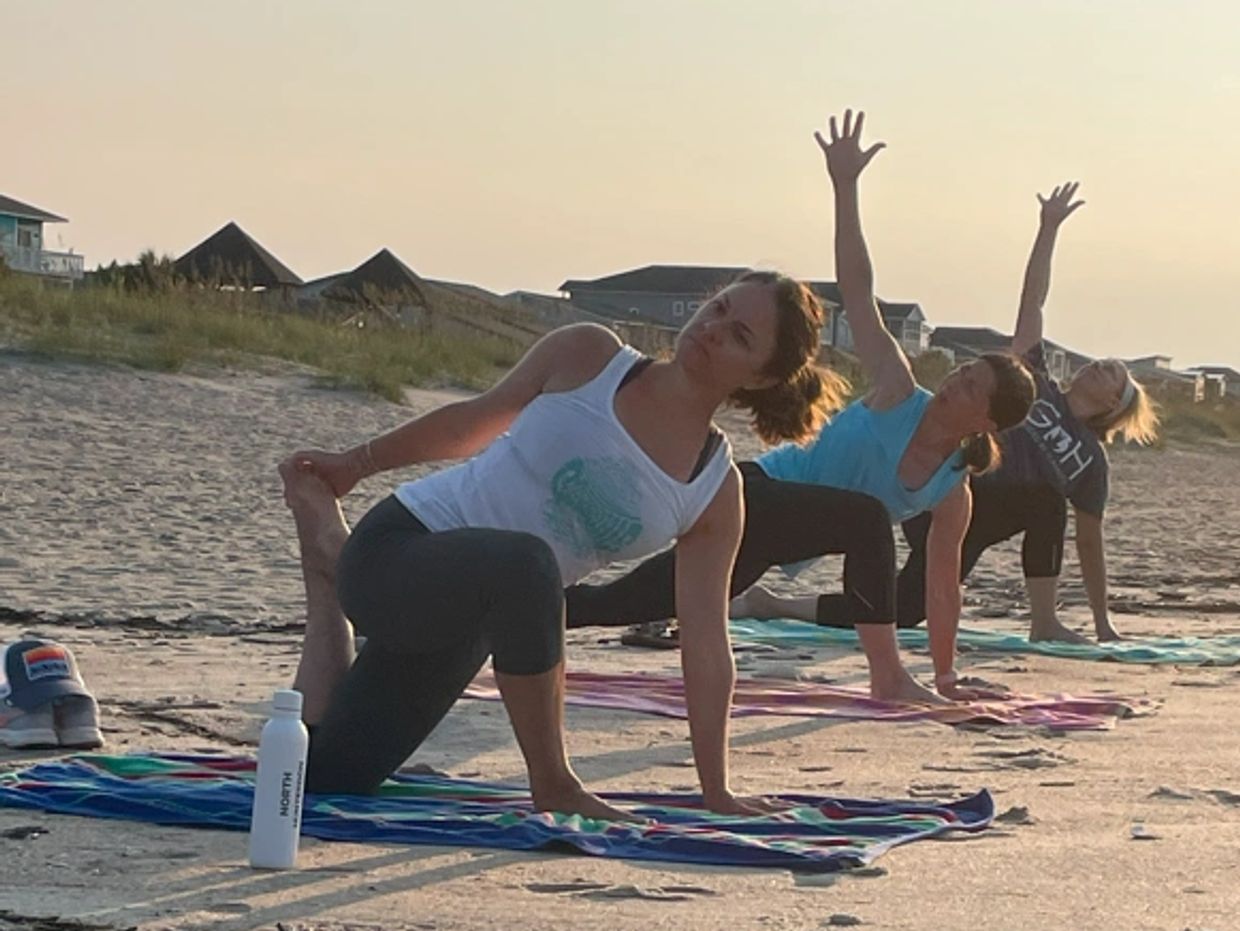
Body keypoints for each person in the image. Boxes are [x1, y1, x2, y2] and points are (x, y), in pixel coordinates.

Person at [280, 268, 829, 820]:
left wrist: (717, 790)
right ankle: (555, 783)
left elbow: (708, 642)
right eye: (719, 308)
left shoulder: (712, 489)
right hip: (401, 549)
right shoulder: (590, 356)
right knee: (529, 563)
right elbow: (471, 424)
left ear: (760, 379)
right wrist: (354, 463)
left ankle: (324, 568)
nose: (712, 329)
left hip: (477, 614)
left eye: (739, 336)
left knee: (328, 780)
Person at [566, 110, 1036, 702]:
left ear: (987, 422)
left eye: (971, 388)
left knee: (623, 603)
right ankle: (888, 678)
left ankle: (504, 613)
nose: (955, 384)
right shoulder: (897, 388)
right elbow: (859, 293)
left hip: (782, 533)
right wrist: (846, 187)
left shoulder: (951, 491)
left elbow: (943, 587)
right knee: (866, 518)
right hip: (753, 491)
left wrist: (946, 677)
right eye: (962, 371)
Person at [879, 182, 1159, 643]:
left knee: (905, 608)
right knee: (1044, 500)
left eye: (1112, 373)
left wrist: (1103, 623)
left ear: (1114, 405)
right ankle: (1044, 623)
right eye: (1103, 362)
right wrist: (1048, 229)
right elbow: (1033, 301)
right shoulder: (1034, 380)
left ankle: (770, 602)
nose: (1099, 365)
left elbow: (1090, 544)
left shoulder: (1090, 462)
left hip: (982, 521)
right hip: (950, 489)